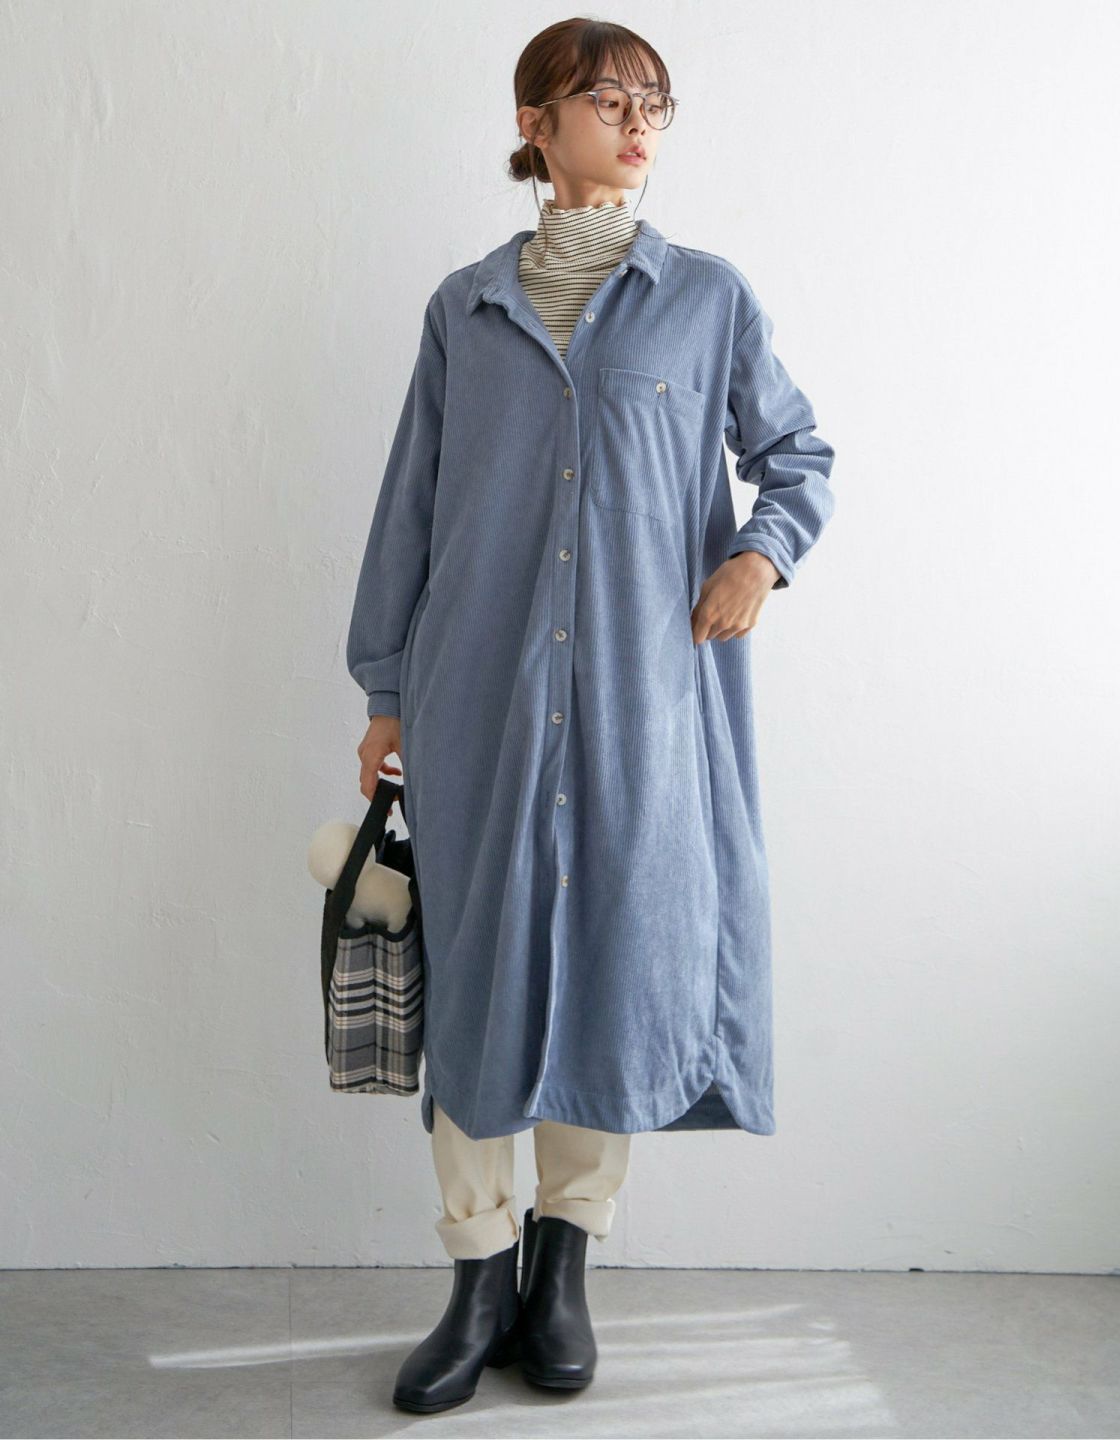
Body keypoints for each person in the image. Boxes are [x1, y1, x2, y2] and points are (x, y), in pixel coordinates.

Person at [346, 17, 836, 1414]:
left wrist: (759, 556)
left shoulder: (707, 300)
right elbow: (410, 508)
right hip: (474, 706)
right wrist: (383, 689)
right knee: (477, 982)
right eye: (608, 97)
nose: (636, 123)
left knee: (612, 970)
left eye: (655, 103)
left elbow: (798, 453)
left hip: (642, 708)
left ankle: (562, 1273)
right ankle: (476, 1278)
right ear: (536, 123)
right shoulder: (464, 311)